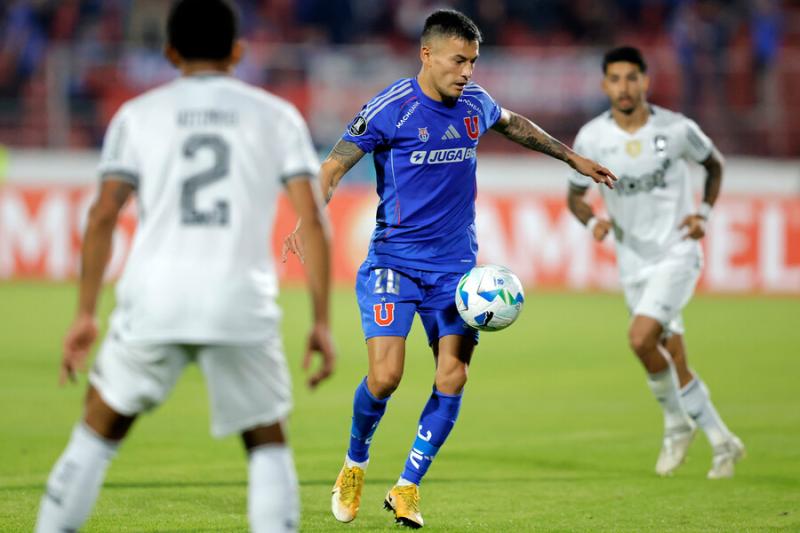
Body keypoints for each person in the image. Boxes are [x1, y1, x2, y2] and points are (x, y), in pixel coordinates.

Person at [283, 9, 616, 529]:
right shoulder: (390, 108)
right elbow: (333, 164)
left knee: (452, 375)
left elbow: (515, 125)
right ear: (427, 55)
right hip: (393, 262)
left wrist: (571, 158)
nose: (467, 72)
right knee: (386, 376)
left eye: (474, 62)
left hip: (455, 272)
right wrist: (311, 214)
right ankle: (355, 463)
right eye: (458, 60)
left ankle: (407, 487)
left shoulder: (475, 105)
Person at [34, 1, 334, 532]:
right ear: (238, 51)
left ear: (170, 52)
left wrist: (84, 313)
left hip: (156, 295)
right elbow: (312, 219)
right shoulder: (276, 116)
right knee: (267, 440)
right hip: (240, 299)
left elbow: (103, 215)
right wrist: (321, 322)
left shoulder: (138, 114)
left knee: (98, 429)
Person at [566, 46, 745, 479]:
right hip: (633, 262)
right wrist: (594, 225)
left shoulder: (677, 129)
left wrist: (702, 215)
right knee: (672, 354)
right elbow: (575, 197)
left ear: (646, 81)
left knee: (641, 338)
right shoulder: (592, 138)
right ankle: (723, 442)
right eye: (615, 78)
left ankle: (675, 424)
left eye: (632, 78)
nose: (624, 87)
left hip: (678, 252)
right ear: (605, 84)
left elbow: (713, 164)